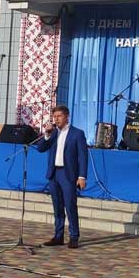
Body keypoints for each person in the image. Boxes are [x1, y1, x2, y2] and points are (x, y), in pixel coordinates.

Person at [36, 105, 89, 249]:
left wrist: (82, 176)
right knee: (57, 206)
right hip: (54, 173)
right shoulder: (53, 133)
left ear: (67, 116)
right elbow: (40, 148)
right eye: (54, 117)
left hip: (68, 174)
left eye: (59, 116)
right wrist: (47, 135)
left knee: (70, 206)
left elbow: (83, 157)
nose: (56, 119)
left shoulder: (77, 134)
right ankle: (58, 236)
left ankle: (74, 236)